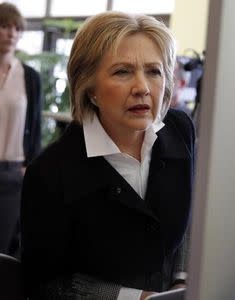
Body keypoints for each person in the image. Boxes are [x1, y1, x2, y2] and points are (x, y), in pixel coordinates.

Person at [20, 11, 195, 300]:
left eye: (153, 71)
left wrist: (181, 282)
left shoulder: (180, 129)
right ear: (89, 89)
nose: (142, 88)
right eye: (122, 72)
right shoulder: (50, 173)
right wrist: (137, 298)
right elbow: (46, 285)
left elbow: (189, 214)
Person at [0, 2, 42, 258]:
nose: (11, 33)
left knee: (4, 247)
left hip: (13, 173)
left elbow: (35, 126)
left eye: (16, 28)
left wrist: (31, 166)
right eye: (4, 26)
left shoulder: (30, 76)